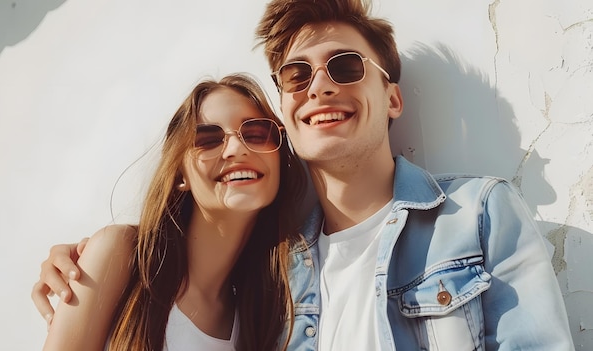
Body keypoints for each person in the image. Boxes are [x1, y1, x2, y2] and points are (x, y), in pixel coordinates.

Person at [33, 0, 575, 349]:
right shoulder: (273, 270)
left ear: (391, 97)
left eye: (344, 67)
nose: (318, 87)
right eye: (296, 76)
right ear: (287, 113)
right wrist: (99, 257)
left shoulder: (478, 215)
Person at [37, 73, 307, 350]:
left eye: (257, 133)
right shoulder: (122, 256)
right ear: (180, 175)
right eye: (208, 138)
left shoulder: (264, 322)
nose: (237, 149)